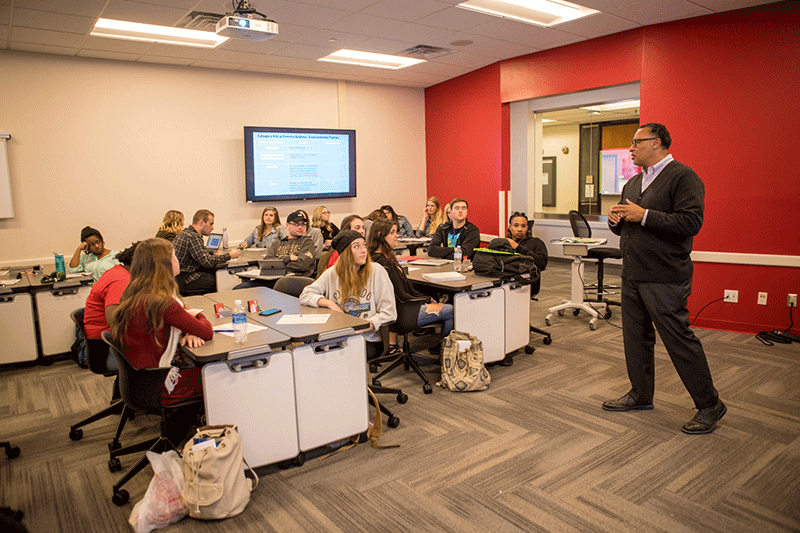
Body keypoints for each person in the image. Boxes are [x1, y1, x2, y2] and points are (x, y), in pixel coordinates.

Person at [603, 123, 725, 435]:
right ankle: (641, 394)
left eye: (636, 142)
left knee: (678, 339)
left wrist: (642, 215)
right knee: (635, 338)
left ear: (657, 143)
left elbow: (690, 222)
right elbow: (627, 224)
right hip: (633, 273)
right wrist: (616, 220)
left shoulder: (683, 177)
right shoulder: (632, 184)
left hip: (664, 276)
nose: (630, 149)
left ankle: (710, 404)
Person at [110, 238, 212, 442]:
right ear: (163, 264)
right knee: (215, 374)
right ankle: (189, 438)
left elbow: (175, 325)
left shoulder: (135, 293)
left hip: (141, 377)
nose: (177, 259)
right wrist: (196, 318)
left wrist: (187, 329)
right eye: (174, 255)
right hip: (160, 382)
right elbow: (206, 332)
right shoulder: (162, 302)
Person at [300, 230, 396, 355]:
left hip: (366, 338)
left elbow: (390, 313)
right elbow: (306, 294)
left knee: (333, 355)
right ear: (345, 253)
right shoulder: (333, 273)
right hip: (339, 334)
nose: (363, 250)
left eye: (364, 245)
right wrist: (329, 303)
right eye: (356, 246)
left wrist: (368, 326)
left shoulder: (377, 271)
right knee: (309, 352)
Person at [368, 218, 454, 355]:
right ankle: (446, 351)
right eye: (392, 233)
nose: (397, 236)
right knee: (451, 310)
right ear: (380, 235)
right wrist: (425, 300)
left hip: (396, 312)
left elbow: (406, 288)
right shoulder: (384, 263)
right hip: (403, 313)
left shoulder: (376, 258)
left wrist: (426, 298)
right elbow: (402, 295)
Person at [172, 209, 240, 295]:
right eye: (211, 224)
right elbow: (207, 261)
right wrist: (229, 255)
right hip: (186, 279)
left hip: (177, 278)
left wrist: (211, 252)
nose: (212, 228)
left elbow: (198, 253)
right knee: (222, 280)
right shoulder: (193, 237)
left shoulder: (185, 233)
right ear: (201, 222)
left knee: (215, 275)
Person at [83, 241, 140, 341]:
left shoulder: (118, 270)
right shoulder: (122, 281)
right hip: (103, 340)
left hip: (100, 333)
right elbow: (114, 322)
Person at [265, 210, 316, 277]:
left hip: (295, 280)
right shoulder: (277, 243)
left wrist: (278, 263)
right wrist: (289, 258)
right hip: (274, 278)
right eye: (296, 224)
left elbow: (302, 265)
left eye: (302, 224)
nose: (300, 227)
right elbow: (266, 263)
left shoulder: (307, 242)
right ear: (287, 225)